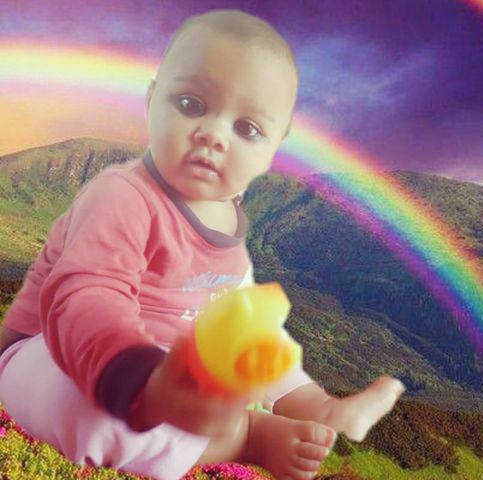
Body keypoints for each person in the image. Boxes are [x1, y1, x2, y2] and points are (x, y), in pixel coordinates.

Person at [0, 9, 404, 480]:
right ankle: (246, 436)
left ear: (274, 147)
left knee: (254, 338)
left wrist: (246, 363)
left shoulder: (228, 222)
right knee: (92, 413)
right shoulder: (122, 196)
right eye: (191, 104)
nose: (213, 135)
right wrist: (141, 379)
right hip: (64, 353)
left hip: (175, 373)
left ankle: (319, 407)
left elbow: (239, 320)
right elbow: (88, 297)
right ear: (152, 101)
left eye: (247, 128)